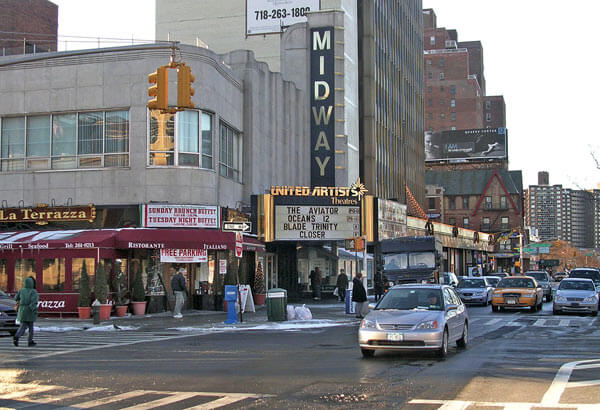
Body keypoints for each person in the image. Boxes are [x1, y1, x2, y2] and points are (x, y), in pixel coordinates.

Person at [13, 276, 39, 347]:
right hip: (29, 311)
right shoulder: (33, 291)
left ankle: (16, 337)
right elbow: (33, 302)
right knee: (30, 327)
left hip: (22, 310)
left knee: (22, 326)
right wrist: (34, 310)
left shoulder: (21, 290)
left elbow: (15, 298)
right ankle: (30, 341)